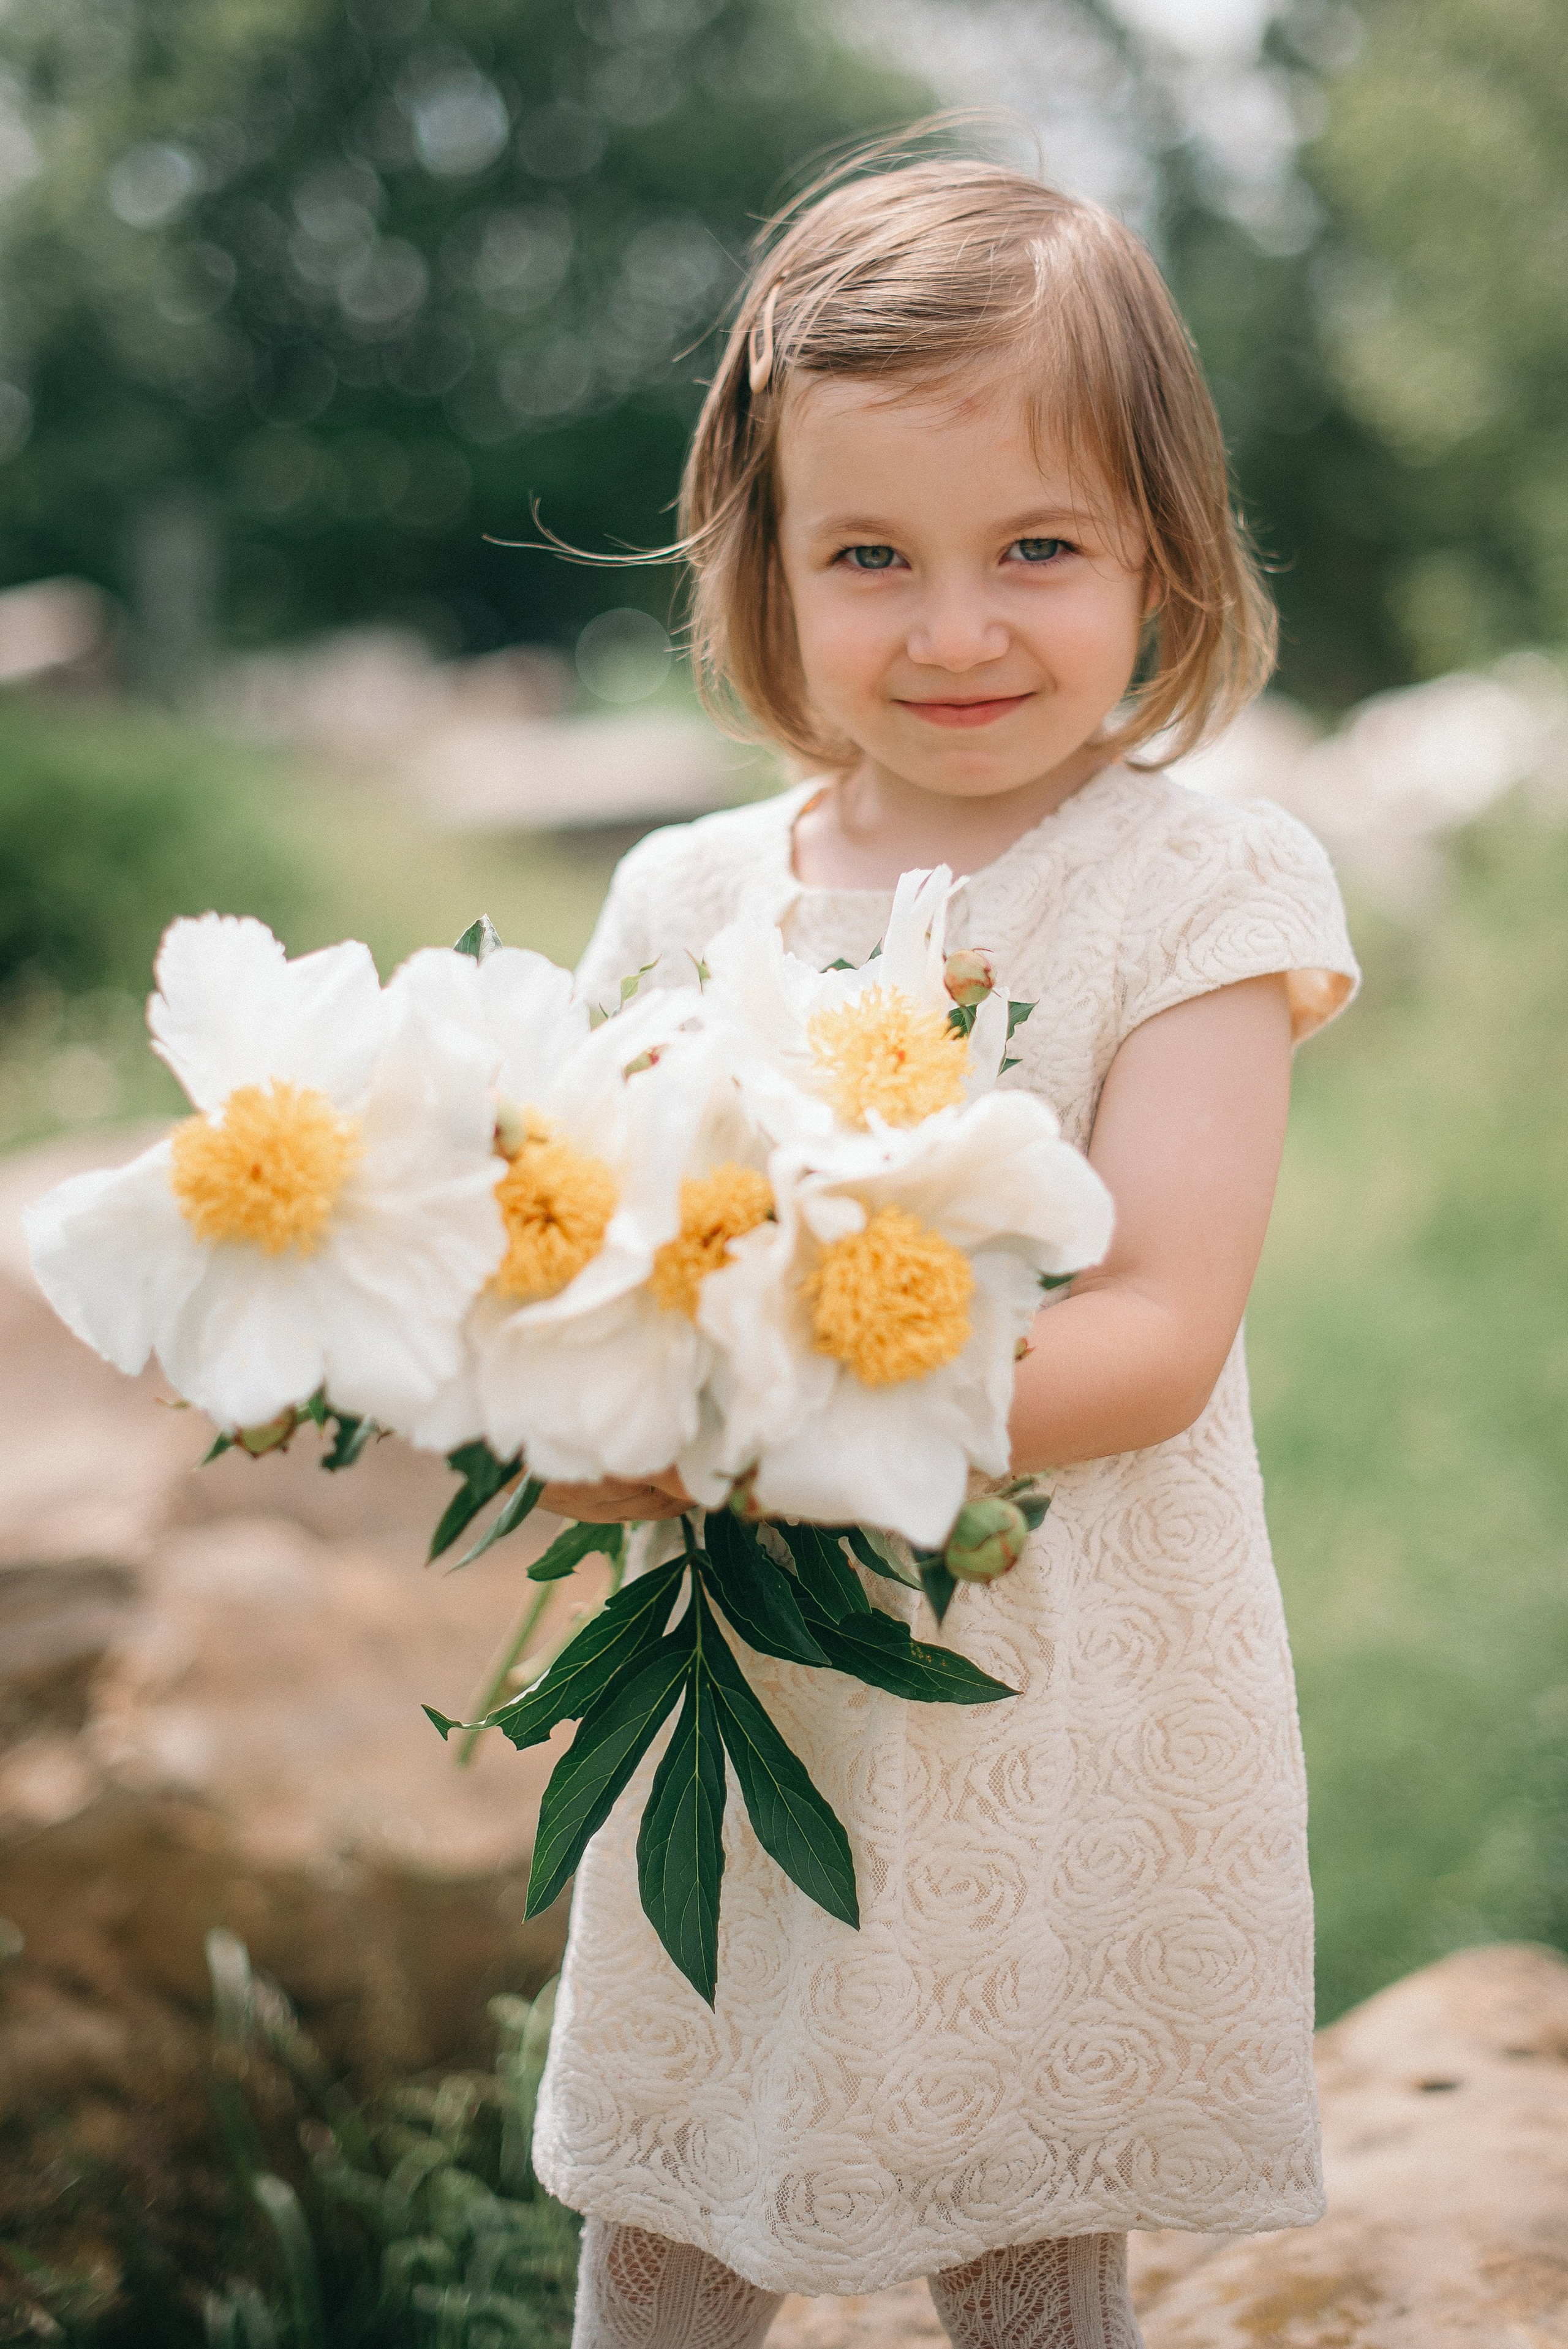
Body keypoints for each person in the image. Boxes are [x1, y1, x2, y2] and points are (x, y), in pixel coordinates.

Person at [527, 149, 1360, 2349]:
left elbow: (1158, 1330)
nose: (958, 625)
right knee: (675, 2192)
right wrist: (543, 1388)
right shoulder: (689, 903)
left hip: (1049, 1684)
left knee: (1027, 2206)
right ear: (766, 568)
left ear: (1162, 551)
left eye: (1039, 548)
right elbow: (587, 1258)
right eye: (871, 554)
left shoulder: (1198, 887)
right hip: (751, 1683)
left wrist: (736, 1425)